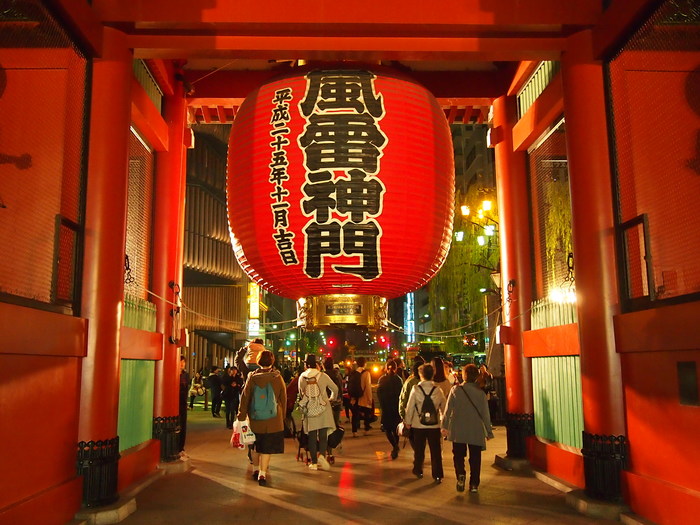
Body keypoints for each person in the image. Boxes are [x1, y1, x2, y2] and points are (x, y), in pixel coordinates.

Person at [441, 364, 494, 493]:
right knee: (475, 457)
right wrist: (488, 431)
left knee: (458, 455)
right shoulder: (480, 394)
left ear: (464, 375)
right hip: (475, 428)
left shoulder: (455, 390)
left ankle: (460, 474)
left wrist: (445, 426)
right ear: (476, 376)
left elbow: (448, 411)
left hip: (458, 428)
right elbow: (485, 414)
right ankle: (474, 484)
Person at [237, 350, 286, 487]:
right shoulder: (277, 377)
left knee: (255, 445)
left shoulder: (252, 377)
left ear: (258, 361)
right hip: (273, 419)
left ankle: (255, 468)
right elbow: (283, 398)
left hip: (255, 417)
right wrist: (283, 416)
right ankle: (262, 473)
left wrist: (241, 415)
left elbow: (245, 397)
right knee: (267, 447)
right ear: (272, 361)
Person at [403, 364, 446, 483]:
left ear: (421, 375)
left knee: (419, 449)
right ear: (433, 374)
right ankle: (437, 474)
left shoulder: (416, 389)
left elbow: (410, 407)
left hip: (418, 425)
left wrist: (408, 422)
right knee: (435, 450)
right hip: (434, 425)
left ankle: (418, 470)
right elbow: (444, 407)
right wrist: (443, 422)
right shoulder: (438, 390)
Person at [298, 355, 338, 471]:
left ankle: (314, 462)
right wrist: (331, 398)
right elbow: (335, 389)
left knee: (311, 435)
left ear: (306, 365)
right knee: (323, 434)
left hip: (310, 408)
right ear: (316, 364)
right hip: (324, 407)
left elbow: (301, 393)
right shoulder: (323, 375)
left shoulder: (302, 377)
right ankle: (322, 456)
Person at [377, 359, 403, 459]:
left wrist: (382, 405)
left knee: (388, 429)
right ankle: (396, 446)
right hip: (396, 407)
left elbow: (379, 394)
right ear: (396, 369)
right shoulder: (398, 379)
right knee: (395, 429)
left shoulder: (382, 379)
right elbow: (401, 394)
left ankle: (395, 446)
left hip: (386, 407)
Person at [348, 357, 373, 437]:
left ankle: (354, 432)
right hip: (364, 397)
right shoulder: (366, 373)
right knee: (366, 414)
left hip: (355, 397)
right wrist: (370, 398)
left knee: (355, 415)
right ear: (365, 364)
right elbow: (368, 387)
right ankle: (366, 430)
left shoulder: (354, 373)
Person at [398, 356, 424, 421]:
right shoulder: (431, 383)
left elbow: (403, 399)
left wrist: (403, 415)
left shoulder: (409, 382)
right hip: (428, 418)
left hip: (412, 417)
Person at [324, 357, 344, 429]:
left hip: (326, 400)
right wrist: (340, 398)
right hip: (337, 400)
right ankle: (335, 436)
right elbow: (340, 387)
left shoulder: (323, 375)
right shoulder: (337, 374)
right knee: (336, 421)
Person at [178, 356, 190, 454]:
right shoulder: (173, 373)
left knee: (183, 425)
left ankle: (181, 447)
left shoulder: (185, 375)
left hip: (183, 403)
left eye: (183, 362)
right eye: (180, 361)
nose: (182, 364)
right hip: (175, 403)